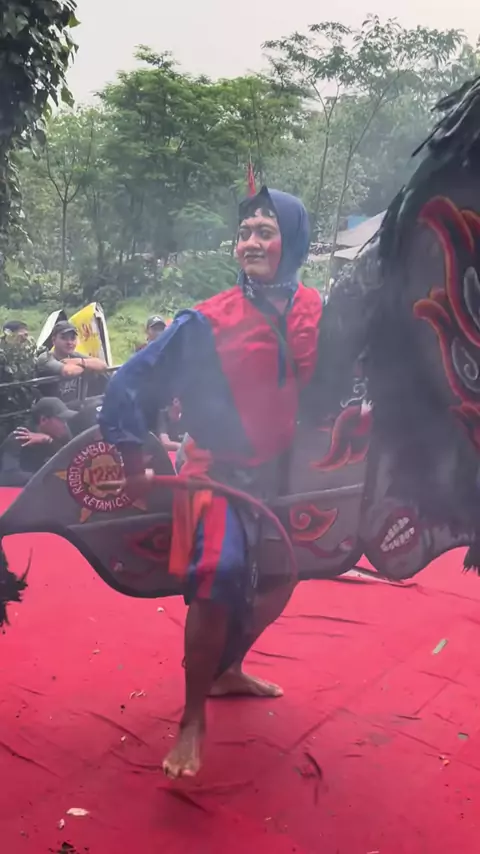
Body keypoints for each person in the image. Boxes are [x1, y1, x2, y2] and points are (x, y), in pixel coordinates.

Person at [99, 186, 322, 779]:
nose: (250, 242)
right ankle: (192, 717)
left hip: (279, 472)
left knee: (286, 576)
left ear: (294, 242)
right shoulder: (205, 321)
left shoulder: (314, 308)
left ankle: (227, 670)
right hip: (215, 472)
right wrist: (133, 462)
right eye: (244, 232)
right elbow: (127, 383)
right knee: (220, 575)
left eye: (265, 232)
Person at [0, 397, 76, 487]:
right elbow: (8, 476)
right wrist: (45, 478)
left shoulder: (62, 433)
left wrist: (49, 441)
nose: (65, 425)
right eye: (62, 420)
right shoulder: (20, 436)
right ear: (43, 420)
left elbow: (73, 461)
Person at [36, 320, 108, 403]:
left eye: (73, 338)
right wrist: (86, 366)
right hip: (51, 407)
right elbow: (68, 371)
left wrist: (80, 362)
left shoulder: (74, 356)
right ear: (54, 340)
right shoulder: (45, 358)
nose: (69, 342)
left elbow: (103, 365)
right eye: (64, 338)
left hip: (74, 405)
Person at [0, 320, 38, 441]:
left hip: (24, 404)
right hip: (4, 406)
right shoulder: (2, 352)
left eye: (26, 335)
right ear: (8, 334)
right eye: (21, 336)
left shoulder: (28, 349)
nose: (24, 339)